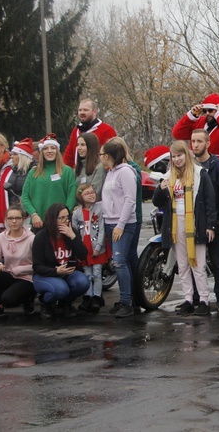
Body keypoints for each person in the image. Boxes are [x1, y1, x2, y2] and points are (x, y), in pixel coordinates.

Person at [153, 140, 217, 316]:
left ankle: (203, 300)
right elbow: (157, 202)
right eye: (174, 157)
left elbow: (210, 201)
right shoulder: (168, 176)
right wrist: (160, 189)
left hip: (195, 224)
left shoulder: (199, 174)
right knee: (182, 265)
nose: (177, 159)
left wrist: (210, 225)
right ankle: (188, 299)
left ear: (186, 155)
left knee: (198, 264)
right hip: (174, 224)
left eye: (180, 155)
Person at [190, 128, 219, 310]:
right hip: (193, 220)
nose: (195, 145)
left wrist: (216, 221)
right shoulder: (188, 165)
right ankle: (196, 295)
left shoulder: (218, 166)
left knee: (216, 260)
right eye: (193, 141)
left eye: (199, 141)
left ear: (208, 143)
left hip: (213, 220)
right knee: (194, 261)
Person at [99, 137, 137, 318]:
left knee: (119, 261)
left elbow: (130, 200)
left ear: (107, 155)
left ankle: (127, 301)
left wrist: (121, 225)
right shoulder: (110, 173)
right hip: (109, 221)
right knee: (124, 261)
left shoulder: (126, 172)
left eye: (101, 154)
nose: (100, 157)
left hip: (123, 223)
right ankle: (126, 299)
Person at [32, 203, 89, 319]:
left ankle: (66, 303)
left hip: (67, 273)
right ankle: (46, 303)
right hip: (46, 274)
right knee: (61, 289)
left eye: (67, 217)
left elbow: (83, 255)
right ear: (52, 219)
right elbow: (37, 266)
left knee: (83, 282)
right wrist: (56, 271)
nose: (65, 220)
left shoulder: (71, 232)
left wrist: (73, 237)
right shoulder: (41, 237)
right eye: (61, 218)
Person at [0, 206, 36, 319]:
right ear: (6, 220)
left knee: (9, 301)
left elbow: (39, 264)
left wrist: (20, 269)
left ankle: (28, 299)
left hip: (27, 278)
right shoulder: (1, 237)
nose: (14, 221)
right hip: (9, 274)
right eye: (10, 218)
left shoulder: (31, 238)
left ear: (23, 219)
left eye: (17, 218)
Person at [20, 134, 77, 230]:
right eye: (46, 148)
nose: (49, 151)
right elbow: (25, 196)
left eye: (53, 148)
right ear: (41, 152)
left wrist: (64, 216)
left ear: (57, 151)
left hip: (61, 223)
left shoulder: (67, 171)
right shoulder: (34, 172)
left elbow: (72, 196)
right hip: (39, 222)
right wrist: (33, 214)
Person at [172, 93, 219, 164]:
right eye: (204, 111)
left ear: (218, 109)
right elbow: (177, 134)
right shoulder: (199, 123)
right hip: (199, 165)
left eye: (210, 110)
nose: (207, 113)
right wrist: (191, 116)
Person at [73, 183, 110, 314]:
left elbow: (102, 230)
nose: (91, 195)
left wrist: (98, 247)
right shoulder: (77, 213)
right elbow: (75, 232)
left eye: (92, 192)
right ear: (80, 196)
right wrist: (78, 249)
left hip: (96, 246)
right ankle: (87, 296)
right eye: (87, 193)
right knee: (87, 273)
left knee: (97, 273)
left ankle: (97, 297)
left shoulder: (99, 209)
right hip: (84, 247)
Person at [0, 138, 36, 231]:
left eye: (15, 154)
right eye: (12, 154)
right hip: (10, 215)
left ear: (23, 156)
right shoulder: (7, 171)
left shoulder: (35, 172)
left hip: (29, 216)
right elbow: (0, 195)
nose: (11, 157)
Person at [62, 99, 117, 168]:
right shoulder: (76, 130)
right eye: (80, 110)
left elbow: (110, 157)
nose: (82, 112)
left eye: (85, 110)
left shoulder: (107, 130)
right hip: (77, 173)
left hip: (97, 173)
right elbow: (69, 155)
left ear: (94, 112)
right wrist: (64, 172)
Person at [74, 132, 107, 200]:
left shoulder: (99, 168)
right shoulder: (77, 169)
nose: (79, 148)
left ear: (91, 147)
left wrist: (81, 202)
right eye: (77, 145)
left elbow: (96, 193)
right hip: (79, 209)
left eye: (82, 145)